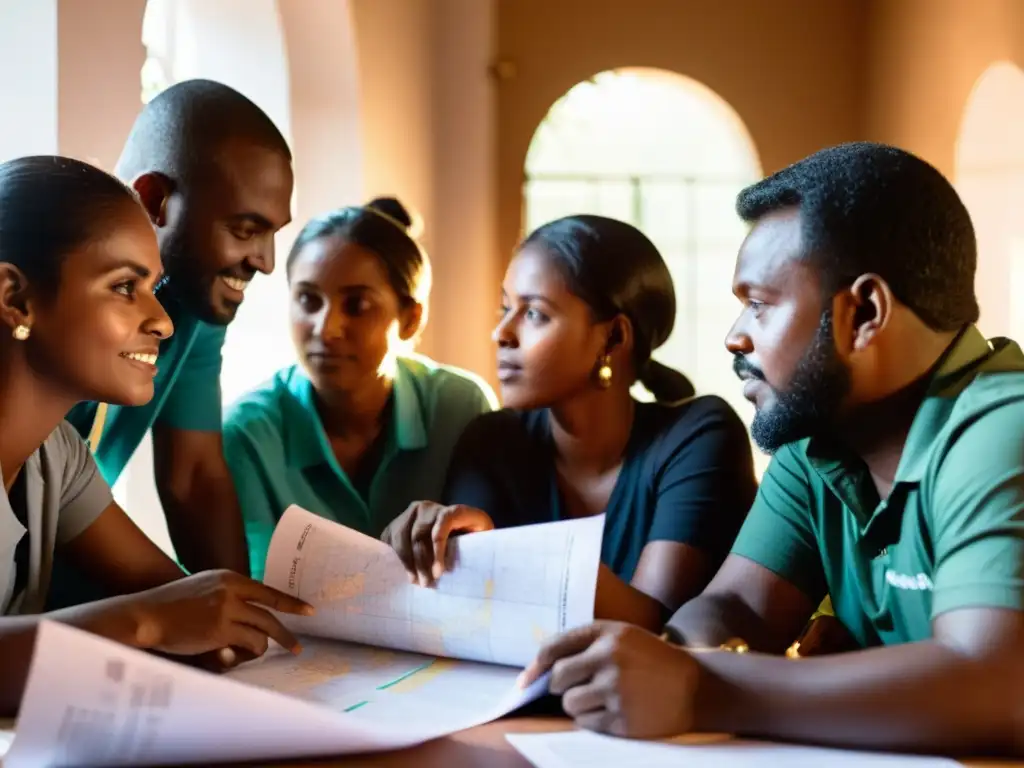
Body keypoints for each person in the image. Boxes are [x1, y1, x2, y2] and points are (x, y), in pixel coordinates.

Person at [518, 143, 1024, 757]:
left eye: (758, 304)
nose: (735, 338)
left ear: (863, 311)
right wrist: (667, 659)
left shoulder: (1003, 427)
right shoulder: (819, 445)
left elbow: (996, 685)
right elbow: (738, 607)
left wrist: (700, 688)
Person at [0, 156, 311, 717]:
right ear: (15, 297)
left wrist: (208, 627)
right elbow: (158, 609)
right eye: (124, 287)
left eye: (153, 286)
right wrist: (146, 623)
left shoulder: (57, 455)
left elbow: (171, 593)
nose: (163, 321)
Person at [382, 215, 757, 631]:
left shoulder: (699, 435)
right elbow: (469, 619)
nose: (501, 333)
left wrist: (503, 552)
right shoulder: (491, 441)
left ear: (613, 338)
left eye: (535, 314)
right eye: (505, 308)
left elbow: (652, 628)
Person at [49, 79, 294, 609]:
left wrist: (244, 624)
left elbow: (195, 475)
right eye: (245, 228)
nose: (266, 261)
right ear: (155, 200)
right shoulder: (47, 293)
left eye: (273, 232)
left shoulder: (196, 305)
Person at [223, 198, 497, 579]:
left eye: (356, 305)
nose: (326, 328)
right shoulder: (249, 432)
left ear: (410, 319)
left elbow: (488, 564)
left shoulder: (462, 407)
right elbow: (257, 587)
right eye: (308, 300)